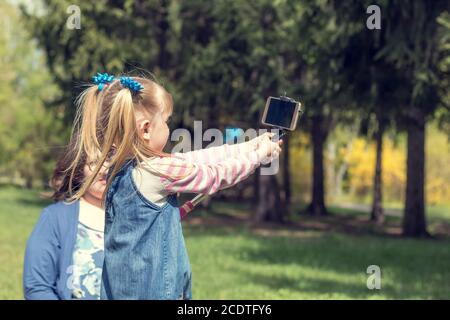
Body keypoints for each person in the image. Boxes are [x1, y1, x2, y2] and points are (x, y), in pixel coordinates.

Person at [67, 73, 282, 299]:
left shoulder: (118, 167)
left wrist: (249, 146)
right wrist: (258, 157)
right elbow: (216, 175)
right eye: (166, 121)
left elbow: (196, 159)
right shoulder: (158, 171)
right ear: (146, 129)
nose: (169, 128)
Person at [23, 137, 108, 300]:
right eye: (95, 162)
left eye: (110, 159)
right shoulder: (55, 218)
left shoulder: (134, 216)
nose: (105, 168)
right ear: (78, 174)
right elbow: (38, 287)